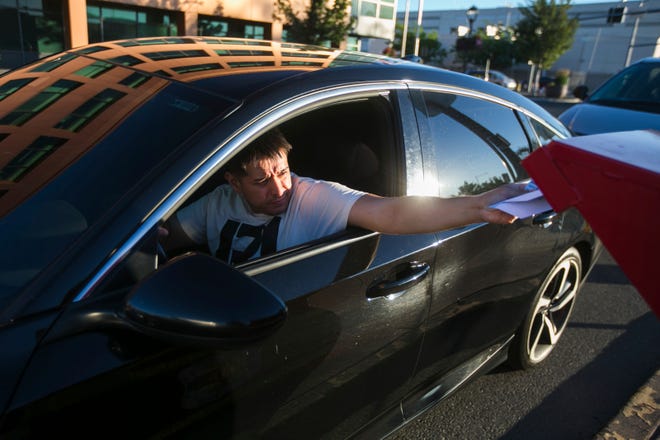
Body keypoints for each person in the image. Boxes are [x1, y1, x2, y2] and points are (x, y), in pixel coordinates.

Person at [162, 129, 526, 265]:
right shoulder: (218, 201)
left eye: (283, 172)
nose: (278, 190)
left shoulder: (314, 197)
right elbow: (164, 239)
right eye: (261, 181)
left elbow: (393, 212)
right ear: (234, 182)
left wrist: (479, 205)